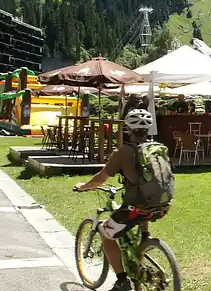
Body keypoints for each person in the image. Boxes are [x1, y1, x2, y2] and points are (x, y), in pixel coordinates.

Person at [73, 110, 169, 291]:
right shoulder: (157, 149)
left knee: (105, 232)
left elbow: (100, 179)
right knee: (140, 212)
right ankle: (144, 240)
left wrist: (83, 186)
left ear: (128, 128)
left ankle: (122, 281)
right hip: (162, 204)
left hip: (136, 208)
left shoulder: (124, 151)